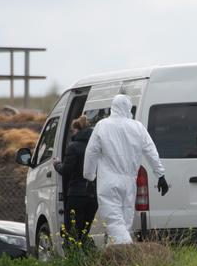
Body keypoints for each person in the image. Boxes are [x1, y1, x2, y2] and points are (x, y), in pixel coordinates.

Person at [83, 94, 169, 245]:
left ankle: (126, 252)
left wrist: (89, 176)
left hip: (108, 181)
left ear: (113, 107)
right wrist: (160, 175)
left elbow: (91, 152)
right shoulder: (137, 127)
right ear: (128, 108)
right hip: (129, 182)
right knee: (124, 222)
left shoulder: (102, 125)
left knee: (114, 222)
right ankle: (119, 259)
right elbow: (151, 151)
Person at [53, 115, 98, 247]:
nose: (72, 133)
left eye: (73, 131)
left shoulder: (73, 147)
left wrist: (57, 164)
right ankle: (89, 260)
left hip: (76, 195)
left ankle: (73, 260)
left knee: (72, 232)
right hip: (93, 195)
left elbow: (66, 170)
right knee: (85, 231)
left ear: (77, 130)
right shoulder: (96, 146)